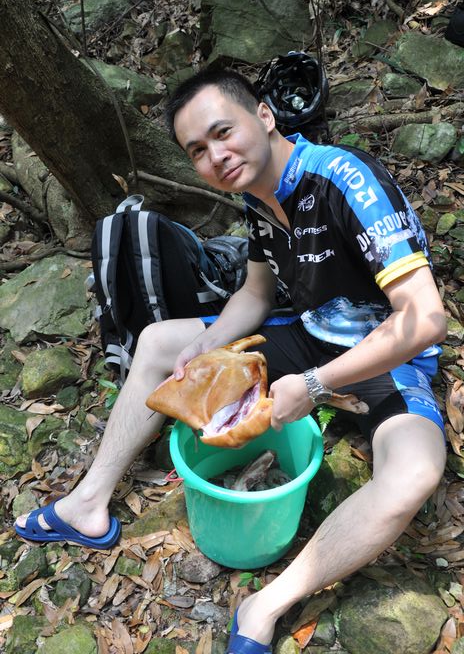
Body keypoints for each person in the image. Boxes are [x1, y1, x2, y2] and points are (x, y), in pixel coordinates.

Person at [15, 68, 448, 653]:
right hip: (312, 335)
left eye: (223, 132)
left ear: (264, 115)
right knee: (160, 341)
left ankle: (264, 605)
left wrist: (314, 385)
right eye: (197, 149)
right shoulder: (258, 198)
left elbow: (424, 319)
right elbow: (256, 294)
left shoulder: (346, 179)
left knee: (415, 472)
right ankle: (87, 504)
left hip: (387, 354)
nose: (215, 156)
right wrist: (206, 343)